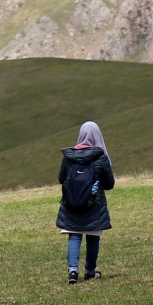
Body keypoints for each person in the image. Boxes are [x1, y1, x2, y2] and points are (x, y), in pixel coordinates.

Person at [57, 121, 115, 284]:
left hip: (72, 204)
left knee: (74, 237)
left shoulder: (69, 157)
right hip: (93, 204)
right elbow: (110, 184)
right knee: (93, 237)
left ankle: (72, 271)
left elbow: (61, 179)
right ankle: (90, 271)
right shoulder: (100, 157)